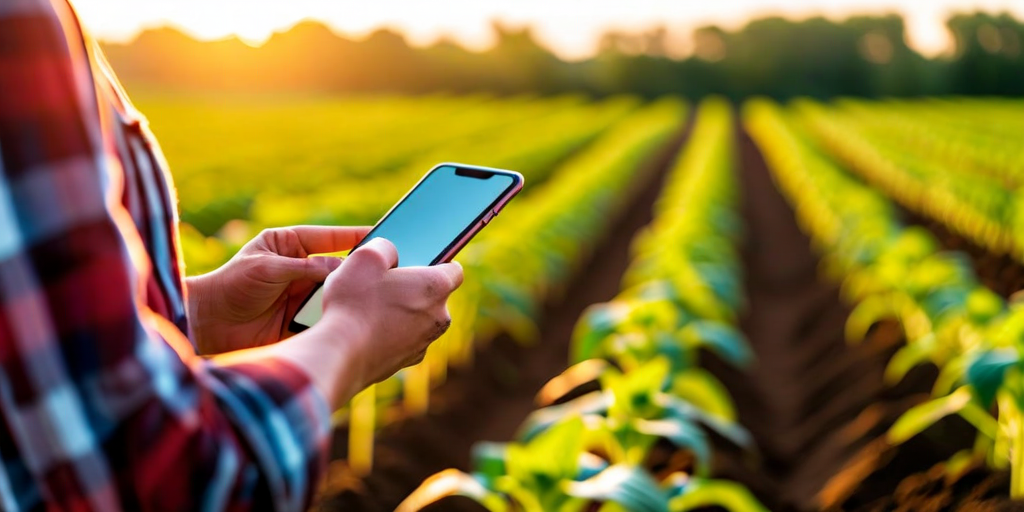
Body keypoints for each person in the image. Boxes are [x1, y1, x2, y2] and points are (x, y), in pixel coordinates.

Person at [0, 0, 464, 510]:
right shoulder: (19, 25)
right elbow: (171, 483)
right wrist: (350, 341)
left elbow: (29, 354)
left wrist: (198, 315)